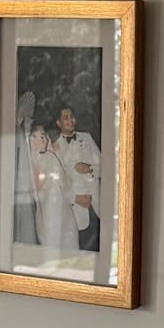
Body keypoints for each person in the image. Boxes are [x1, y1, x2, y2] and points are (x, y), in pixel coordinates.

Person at [53, 103, 101, 254]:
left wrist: (90, 168)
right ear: (58, 123)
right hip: (77, 211)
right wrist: (76, 198)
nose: (70, 120)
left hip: (98, 205)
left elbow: (105, 167)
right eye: (66, 118)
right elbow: (58, 183)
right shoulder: (54, 148)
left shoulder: (87, 138)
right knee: (84, 255)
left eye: (72, 116)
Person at [28, 123, 77, 255]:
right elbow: (67, 185)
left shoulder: (35, 159)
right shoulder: (48, 157)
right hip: (55, 212)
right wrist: (55, 155)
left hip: (51, 213)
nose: (46, 140)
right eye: (42, 136)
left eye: (45, 136)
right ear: (31, 139)